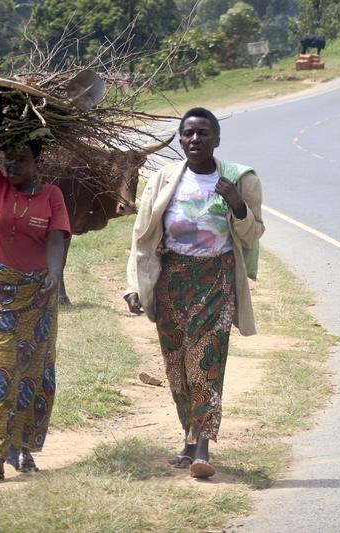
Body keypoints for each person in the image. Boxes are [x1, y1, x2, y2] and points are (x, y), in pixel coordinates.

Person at [124, 107, 264, 479]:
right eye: (188, 134)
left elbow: (252, 236)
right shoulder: (164, 179)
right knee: (177, 366)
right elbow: (142, 237)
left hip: (216, 280)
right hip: (171, 280)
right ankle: (187, 439)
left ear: (216, 140)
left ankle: (202, 446)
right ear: (181, 139)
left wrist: (236, 204)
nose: (195, 140)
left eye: (203, 133)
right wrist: (135, 286)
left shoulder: (238, 179)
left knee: (206, 360)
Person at [0, 138, 71, 481]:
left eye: (21, 160)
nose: (12, 167)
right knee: (3, 371)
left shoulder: (51, 196)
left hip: (39, 295)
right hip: (1, 290)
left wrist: (55, 273)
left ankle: (26, 450)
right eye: (7, 160)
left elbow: (57, 238)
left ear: (36, 160)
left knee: (35, 372)